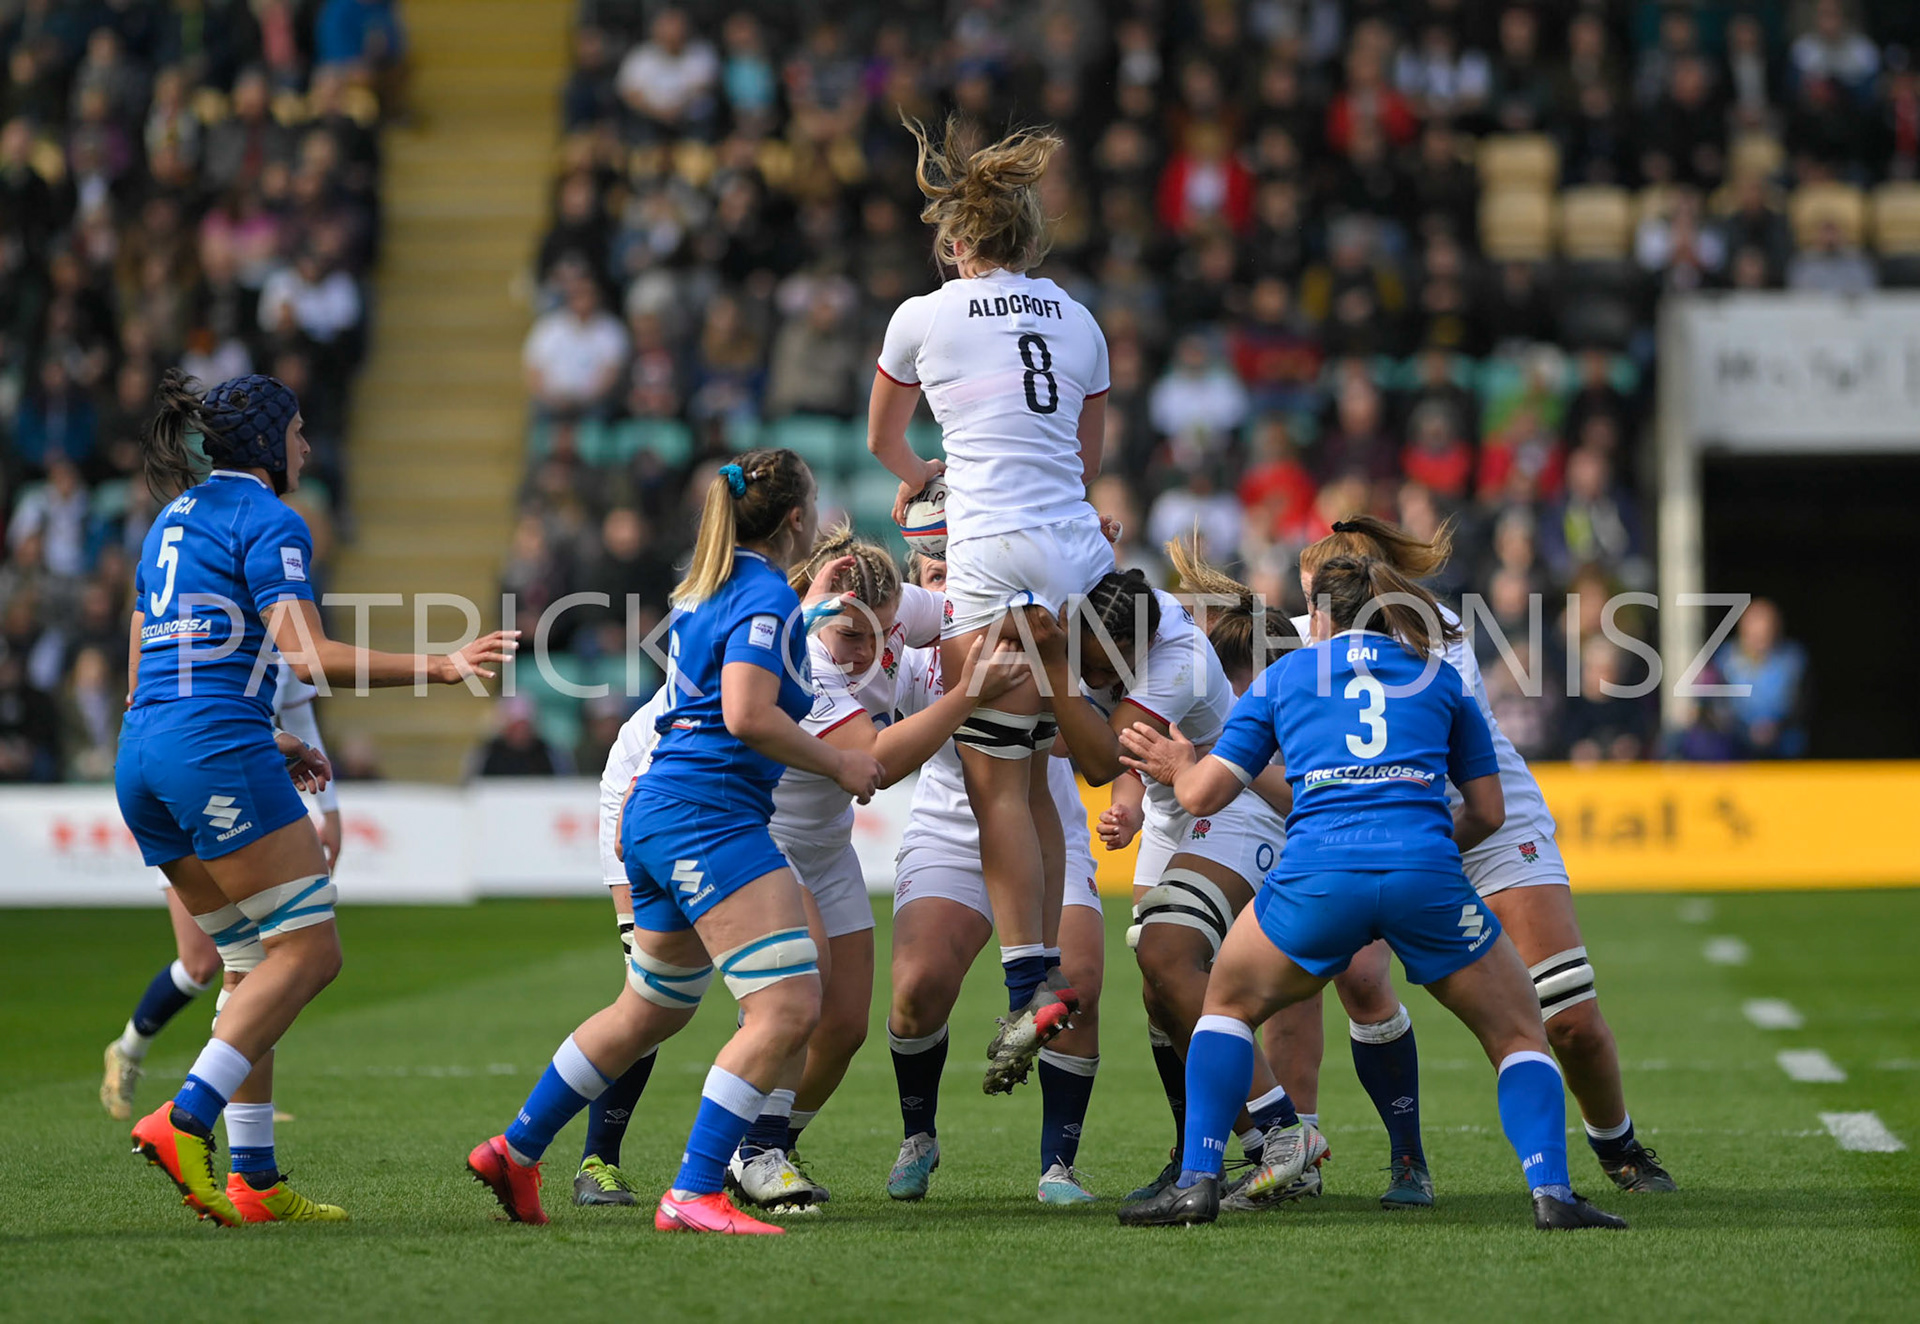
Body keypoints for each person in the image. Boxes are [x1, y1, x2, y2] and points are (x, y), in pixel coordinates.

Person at [1115, 555, 1627, 1231]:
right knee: (1517, 1031)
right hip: (1423, 869)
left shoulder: (1286, 674)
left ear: (1319, 617)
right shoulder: (1442, 680)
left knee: (1226, 1003)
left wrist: (1180, 762)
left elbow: (1205, 792)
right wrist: (1425, 847)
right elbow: (1490, 812)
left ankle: (1197, 1182)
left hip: (1318, 874)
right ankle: (1552, 1193)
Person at [120, 370, 515, 1226]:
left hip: (145, 754)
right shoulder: (269, 518)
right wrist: (441, 666)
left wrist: (265, 735)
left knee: (249, 962)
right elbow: (305, 656)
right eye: (296, 432)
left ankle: (254, 1180)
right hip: (210, 749)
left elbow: (147, 658)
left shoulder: (169, 520)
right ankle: (183, 1119)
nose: (305, 446)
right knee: (311, 953)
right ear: (267, 443)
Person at [464, 449, 883, 1236]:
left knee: (649, 1006)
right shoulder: (762, 599)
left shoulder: (712, 590)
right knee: (790, 1007)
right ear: (796, 517)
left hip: (660, 810)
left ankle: (516, 1150)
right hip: (711, 814)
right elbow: (746, 716)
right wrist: (841, 761)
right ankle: (695, 1191)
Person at [1292, 515, 1673, 1195]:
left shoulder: (1436, 629)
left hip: (1482, 819)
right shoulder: (1299, 641)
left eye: (1315, 594)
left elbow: (1438, 752)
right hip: (1384, 825)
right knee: (1355, 980)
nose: (1306, 614)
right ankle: (1387, 1157)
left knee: (1569, 1019)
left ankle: (1619, 1145)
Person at [868, 117, 1114, 1092]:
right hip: (1081, 551)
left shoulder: (922, 317)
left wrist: (927, 470)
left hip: (990, 549)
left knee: (996, 781)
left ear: (957, 241)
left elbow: (889, 442)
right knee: (1058, 752)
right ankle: (1049, 960)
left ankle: (1029, 981)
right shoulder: (1082, 321)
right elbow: (1085, 460)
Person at [731, 528, 1029, 1208]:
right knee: (795, 997)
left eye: (878, 634)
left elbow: (973, 610)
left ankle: (767, 1144)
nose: (865, 650)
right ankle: (752, 1151)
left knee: (844, 1029)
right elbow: (877, 766)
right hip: (766, 835)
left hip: (827, 847)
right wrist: (970, 694)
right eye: (850, 637)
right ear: (823, 621)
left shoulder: (895, 629)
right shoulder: (805, 654)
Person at [1024, 557, 1312, 1212]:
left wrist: (1049, 667)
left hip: (1231, 804)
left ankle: (1281, 1132)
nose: (1092, 674)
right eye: (1084, 659)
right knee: (1161, 995)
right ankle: (1197, 1156)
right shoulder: (1108, 607)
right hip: (1169, 810)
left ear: (1136, 650)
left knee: (1166, 953)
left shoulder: (1175, 660)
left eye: (1102, 666)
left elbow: (1097, 759)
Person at [884, 550, 1107, 1205]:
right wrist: (968, 695)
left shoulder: (1045, 629)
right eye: (935, 575)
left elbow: (1085, 746)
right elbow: (882, 760)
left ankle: (1057, 1169)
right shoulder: (913, 652)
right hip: (950, 826)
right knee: (917, 986)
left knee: (1081, 985)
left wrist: (1038, 676)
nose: (951, 587)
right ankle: (918, 1137)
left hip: (1044, 824)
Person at [101, 660, 342, 1132]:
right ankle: (142, 1061)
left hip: (240, 780)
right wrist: (438, 667)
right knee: (204, 963)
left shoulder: (276, 632)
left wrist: (329, 808)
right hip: (196, 778)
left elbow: (299, 714)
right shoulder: (215, 624)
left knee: (245, 959)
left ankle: (236, 1118)